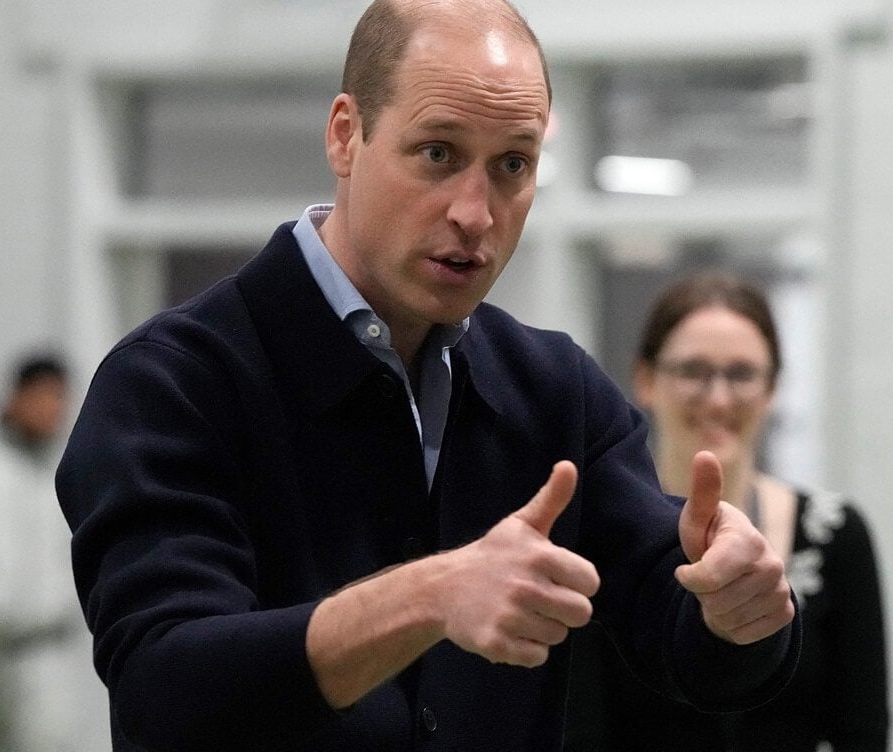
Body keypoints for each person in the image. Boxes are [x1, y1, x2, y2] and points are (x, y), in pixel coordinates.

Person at [54, 2, 802, 750]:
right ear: (346, 135)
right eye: (438, 153)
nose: (476, 214)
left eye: (513, 164)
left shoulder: (554, 391)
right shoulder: (173, 385)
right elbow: (167, 691)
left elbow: (675, 632)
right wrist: (432, 596)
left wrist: (737, 611)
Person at [576, 272, 890, 750]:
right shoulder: (597, 532)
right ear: (645, 380)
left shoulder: (836, 536)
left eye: (741, 374)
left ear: (773, 388)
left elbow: (864, 733)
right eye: (693, 372)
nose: (718, 398)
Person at [0, 353, 110, 752]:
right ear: (18, 394)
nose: (53, 410)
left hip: (44, 651)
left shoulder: (67, 463)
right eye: (45, 397)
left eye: (61, 399)